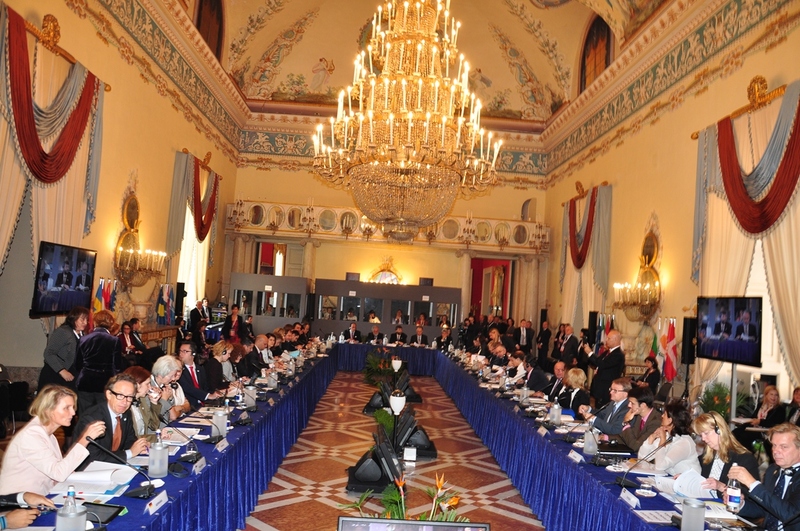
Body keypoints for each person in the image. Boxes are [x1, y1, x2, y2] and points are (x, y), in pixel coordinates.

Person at [0, 385, 105, 495]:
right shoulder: (31, 435)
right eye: (66, 408)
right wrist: (84, 439)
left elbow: (57, 471)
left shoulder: (48, 434)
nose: (73, 413)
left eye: (73, 407)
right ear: (48, 410)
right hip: (18, 500)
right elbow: (58, 473)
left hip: (40, 495)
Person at [728, 423, 800, 530]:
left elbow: (791, 515)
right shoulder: (773, 470)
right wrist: (739, 504)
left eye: (783, 447)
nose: (775, 451)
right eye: (774, 445)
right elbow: (764, 509)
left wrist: (752, 484)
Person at [73, 373, 150, 468]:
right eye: (120, 395)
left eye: (129, 397)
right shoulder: (91, 419)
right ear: (109, 394)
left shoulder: (125, 413)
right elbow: (93, 457)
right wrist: (130, 453)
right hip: (91, 469)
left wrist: (140, 446)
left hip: (115, 466)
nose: (125, 402)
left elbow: (129, 440)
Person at [691, 411, 760, 499]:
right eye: (701, 435)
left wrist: (720, 486)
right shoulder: (707, 456)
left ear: (719, 430)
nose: (703, 439)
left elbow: (749, 497)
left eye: (706, 433)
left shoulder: (744, 459)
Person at [74, 309, 124, 414]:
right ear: (111, 323)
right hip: (105, 384)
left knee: (85, 415)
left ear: (95, 322)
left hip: (85, 382)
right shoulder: (114, 340)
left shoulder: (83, 339)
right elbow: (117, 367)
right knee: (103, 415)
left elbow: (78, 364)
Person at [637, 399, 701, 476]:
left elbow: (660, 467)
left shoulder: (684, 442)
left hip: (687, 481)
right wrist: (651, 438)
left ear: (670, 420)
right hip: (671, 478)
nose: (662, 416)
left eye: (664, 414)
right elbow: (641, 459)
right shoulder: (668, 435)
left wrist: (662, 441)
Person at [38, 306, 89, 390]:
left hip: (71, 378)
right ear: (74, 318)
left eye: (87, 320)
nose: (85, 323)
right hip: (54, 376)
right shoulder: (63, 332)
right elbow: (48, 353)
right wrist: (62, 371)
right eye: (82, 320)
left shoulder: (83, 335)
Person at [734, 384, 786, 450]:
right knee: (736, 432)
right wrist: (743, 420)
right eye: (771, 394)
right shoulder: (761, 405)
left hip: (766, 432)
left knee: (745, 436)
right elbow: (753, 418)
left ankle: (745, 453)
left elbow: (775, 424)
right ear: (766, 395)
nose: (773, 397)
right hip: (755, 429)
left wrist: (760, 422)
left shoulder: (780, 409)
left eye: (776, 395)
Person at [122, 366, 164, 442]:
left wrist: (154, 403)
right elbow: (132, 439)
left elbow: (154, 425)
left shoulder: (141, 400)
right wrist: (157, 436)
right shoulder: (124, 405)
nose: (150, 387)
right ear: (136, 385)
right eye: (147, 384)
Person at [614, 386, 662, 452]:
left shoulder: (656, 421)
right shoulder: (639, 416)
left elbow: (635, 446)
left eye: (632, 403)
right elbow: (626, 438)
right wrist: (606, 438)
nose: (629, 405)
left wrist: (626, 423)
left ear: (643, 405)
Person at [177, 342, 223, 408]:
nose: (181, 354)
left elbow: (205, 388)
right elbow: (188, 388)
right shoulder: (179, 370)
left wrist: (218, 393)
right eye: (180, 351)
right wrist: (208, 396)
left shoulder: (200, 369)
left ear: (193, 354)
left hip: (203, 405)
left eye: (185, 351)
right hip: (189, 407)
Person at [587, 329, 625, 408]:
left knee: (604, 409)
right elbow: (597, 362)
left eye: (609, 338)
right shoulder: (607, 352)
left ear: (615, 340)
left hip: (606, 388)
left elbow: (603, 364)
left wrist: (590, 353)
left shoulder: (618, 354)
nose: (606, 340)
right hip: (599, 387)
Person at [150, 355, 190, 420]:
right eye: (171, 376)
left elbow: (172, 413)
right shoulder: (149, 387)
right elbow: (155, 416)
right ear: (160, 375)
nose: (173, 378)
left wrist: (171, 398)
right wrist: (164, 399)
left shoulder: (164, 386)